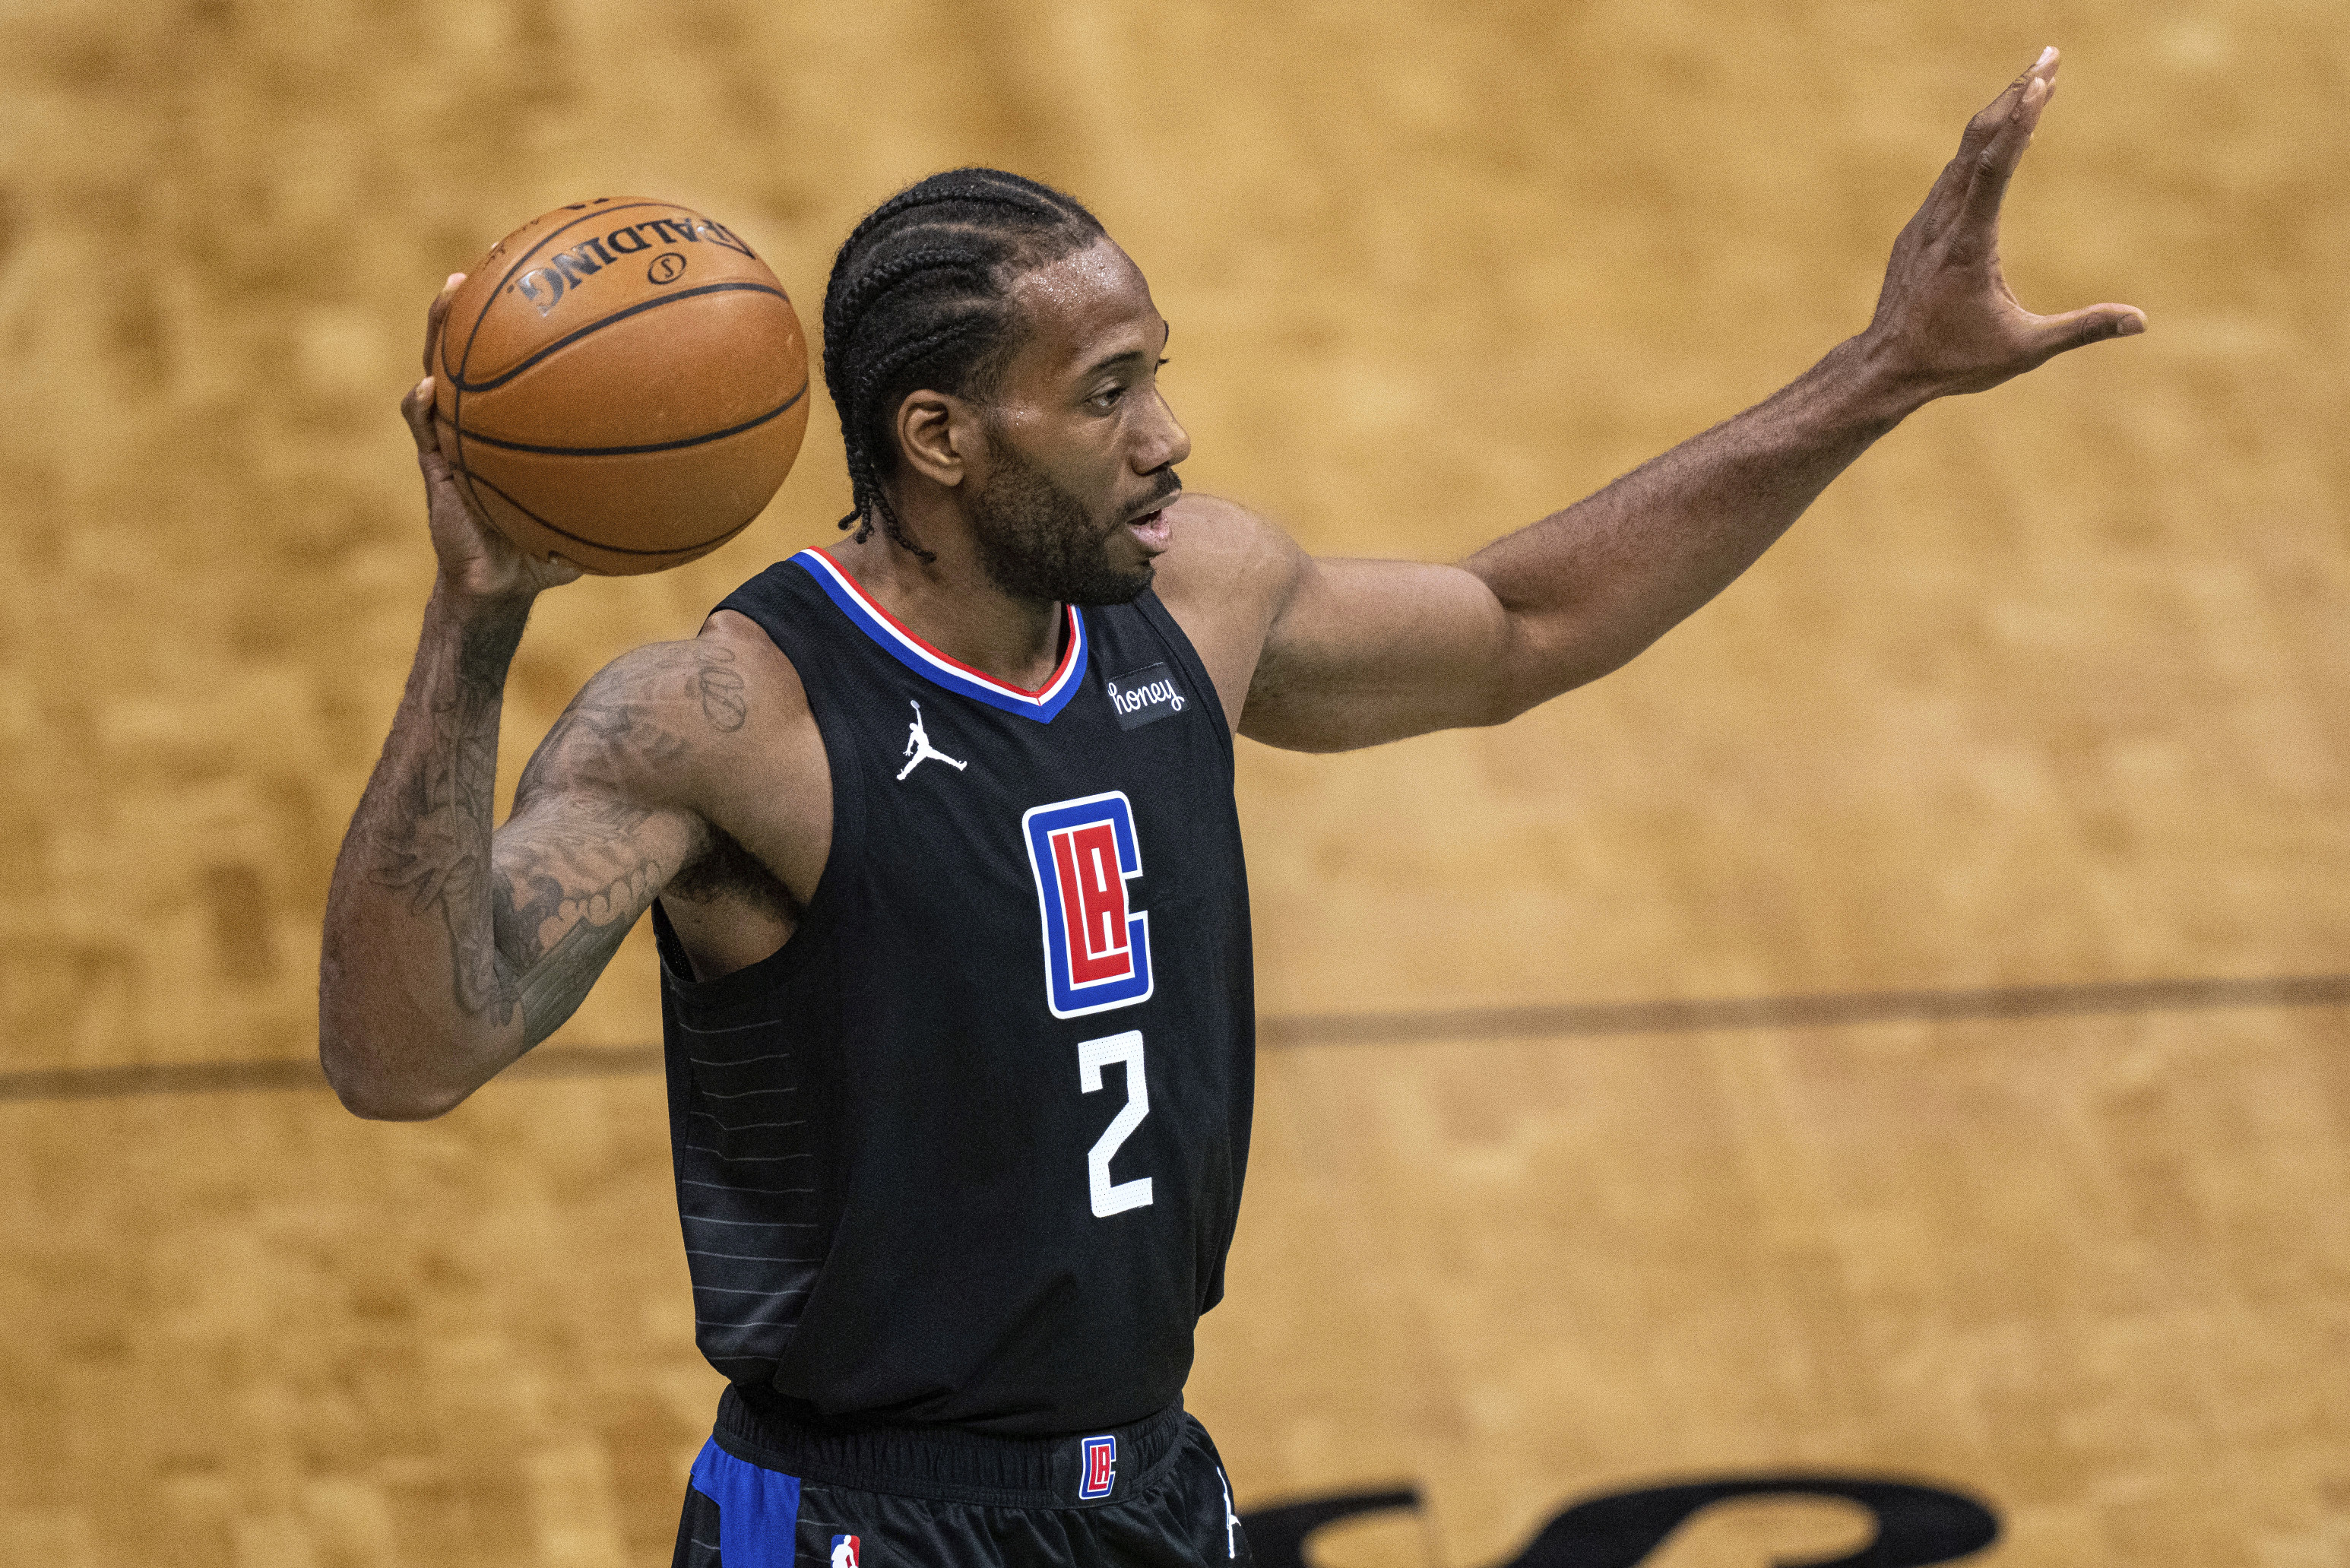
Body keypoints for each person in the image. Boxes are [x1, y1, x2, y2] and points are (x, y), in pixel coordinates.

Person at [319, 49, 2139, 1568]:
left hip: (1150, 1492)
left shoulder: (1192, 601)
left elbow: (1523, 623)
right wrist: (477, 627)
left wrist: (1880, 371)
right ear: (943, 439)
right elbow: (408, 1054)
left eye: (1156, 370)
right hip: (868, 1527)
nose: (1169, 433)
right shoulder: (727, 723)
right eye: (1108, 393)